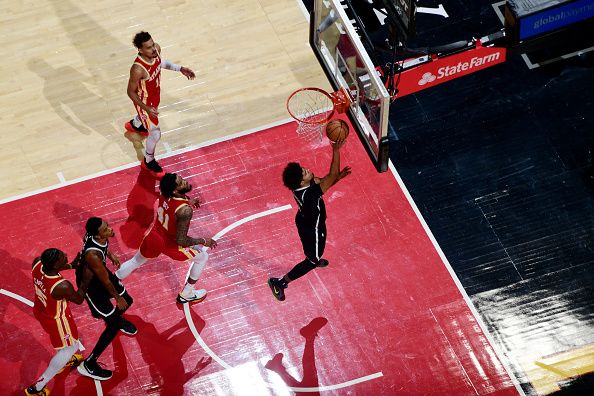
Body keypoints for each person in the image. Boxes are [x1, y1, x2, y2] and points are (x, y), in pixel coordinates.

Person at [268, 140, 351, 301]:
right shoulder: (310, 194)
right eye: (304, 173)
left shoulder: (301, 187)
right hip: (313, 227)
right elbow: (330, 177)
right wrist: (336, 150)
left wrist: (337, 178)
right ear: (302, 182)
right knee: (312, 259)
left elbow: (326, 180)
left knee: (313, 249)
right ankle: (280, 283)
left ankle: (313, 257)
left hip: (303, 220)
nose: (306, 170)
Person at [116, 173, 217, 304]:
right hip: (172, 246)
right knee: (203, 257)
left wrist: (188, 201)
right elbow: (181, 240)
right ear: (175, 190)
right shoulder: (185, 211)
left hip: (154, 236)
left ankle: (113, 281)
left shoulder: (165, 193)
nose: (185, 181)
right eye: (181, 182)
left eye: (182, 179)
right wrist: (204, 240)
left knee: (136, 260)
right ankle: (187, 294)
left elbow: (173, 203)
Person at [124, 31, 196, 176]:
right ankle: (148, 161)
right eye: (149, 48)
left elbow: (160, 63)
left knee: (147, 124)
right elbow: (130, 92)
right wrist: (146, 109)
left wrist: (180, 68)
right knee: (155, 134)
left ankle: (136, 124)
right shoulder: (138, 69)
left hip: (155, 97)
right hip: (145, 104)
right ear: (140, 50)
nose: (153, 49)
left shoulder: (156, 50)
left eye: (152, 45)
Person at [75, 217, 136, 381]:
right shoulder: (92, 256)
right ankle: (89, 363)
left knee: (128, 301)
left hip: (100, 273)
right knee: (115, 323)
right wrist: (117, 298)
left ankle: (113, 319)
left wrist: (110, 254)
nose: (110, 228)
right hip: (91, 286)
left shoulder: (93, 237)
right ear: (98, 234)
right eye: (105, 229)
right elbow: (105, 280)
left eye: (107, 225)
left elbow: (98, 246)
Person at [26, 248, 92, 396]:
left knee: (64, 347)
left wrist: (71, 265)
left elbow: (52, 270)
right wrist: (86, 280)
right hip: (58, 321)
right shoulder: (62, 286)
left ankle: (64, 357)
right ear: (55, 266)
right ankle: (38, 386)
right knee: (71, 347)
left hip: (40, 310)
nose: (66, 255)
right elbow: (79, 299)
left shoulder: (37, 263)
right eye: (63, 258)